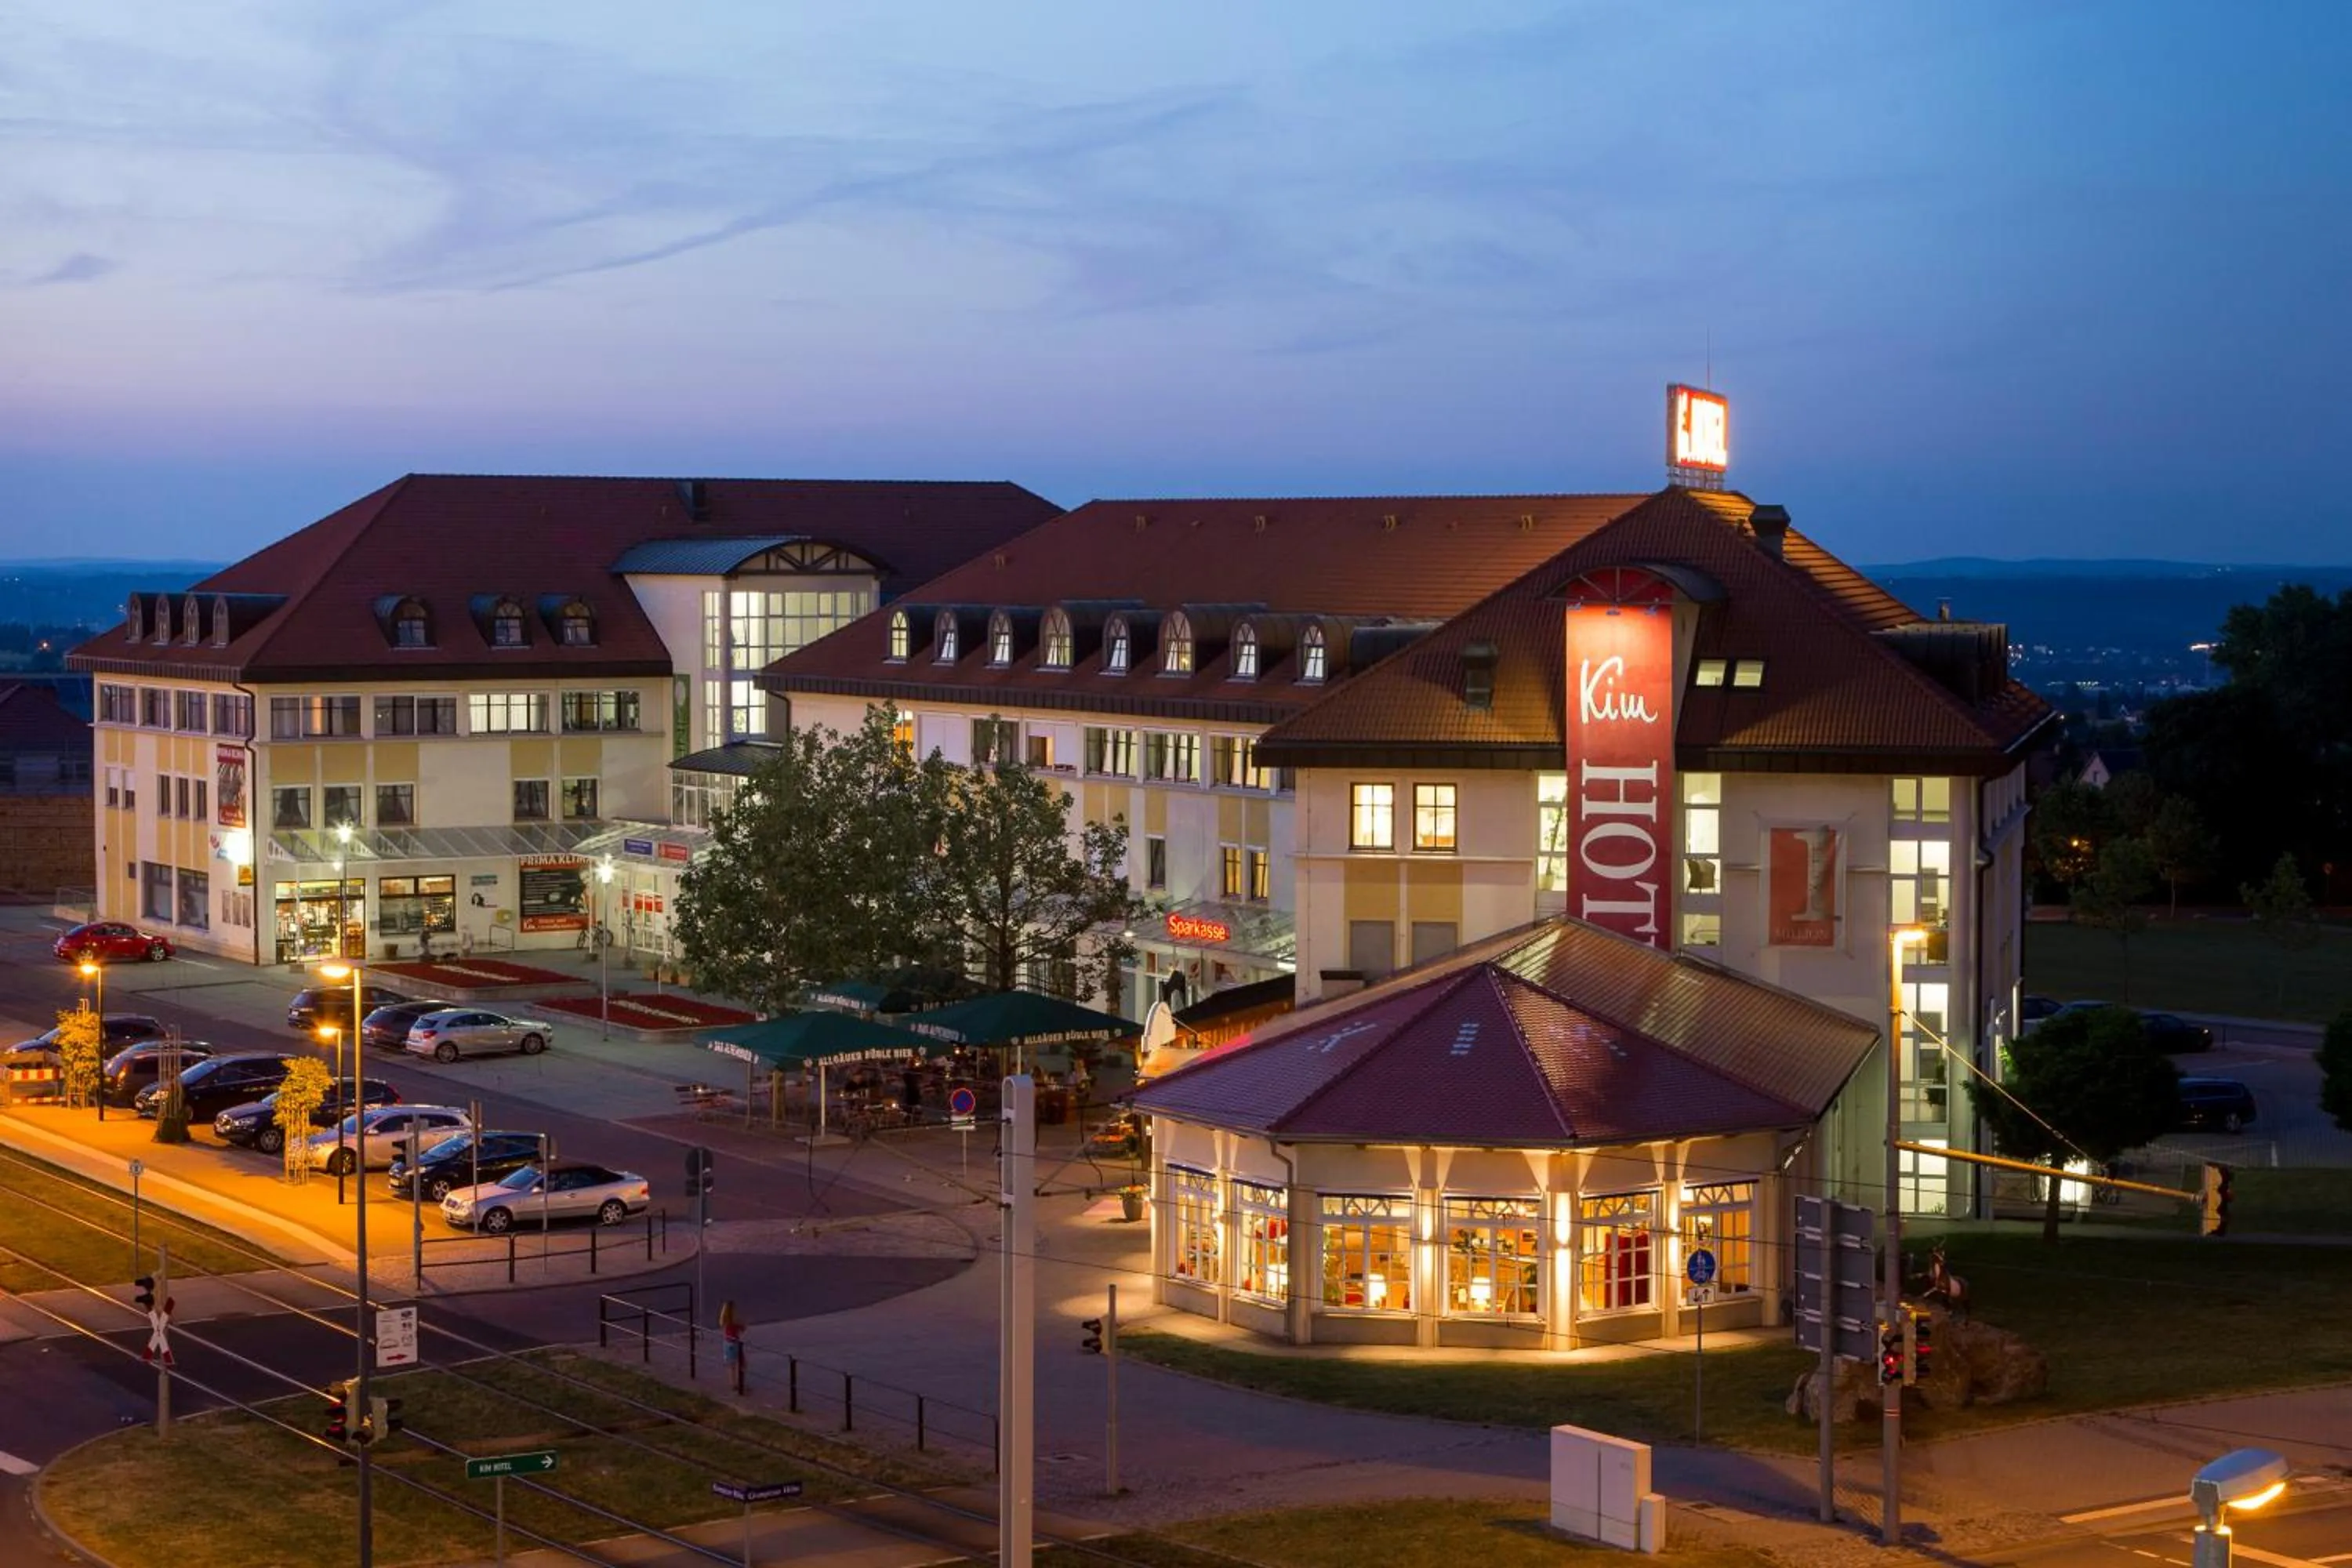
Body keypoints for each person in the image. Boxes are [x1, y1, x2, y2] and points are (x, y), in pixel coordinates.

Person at [719, 1299, 746, 1395]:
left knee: (731, 1365)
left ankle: (732, 1383)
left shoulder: (724, 1320)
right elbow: (744, 1328)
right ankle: (739, 1383)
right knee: (741, 1362)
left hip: (727, 1342)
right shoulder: (736, 1321)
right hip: (735, 1342)